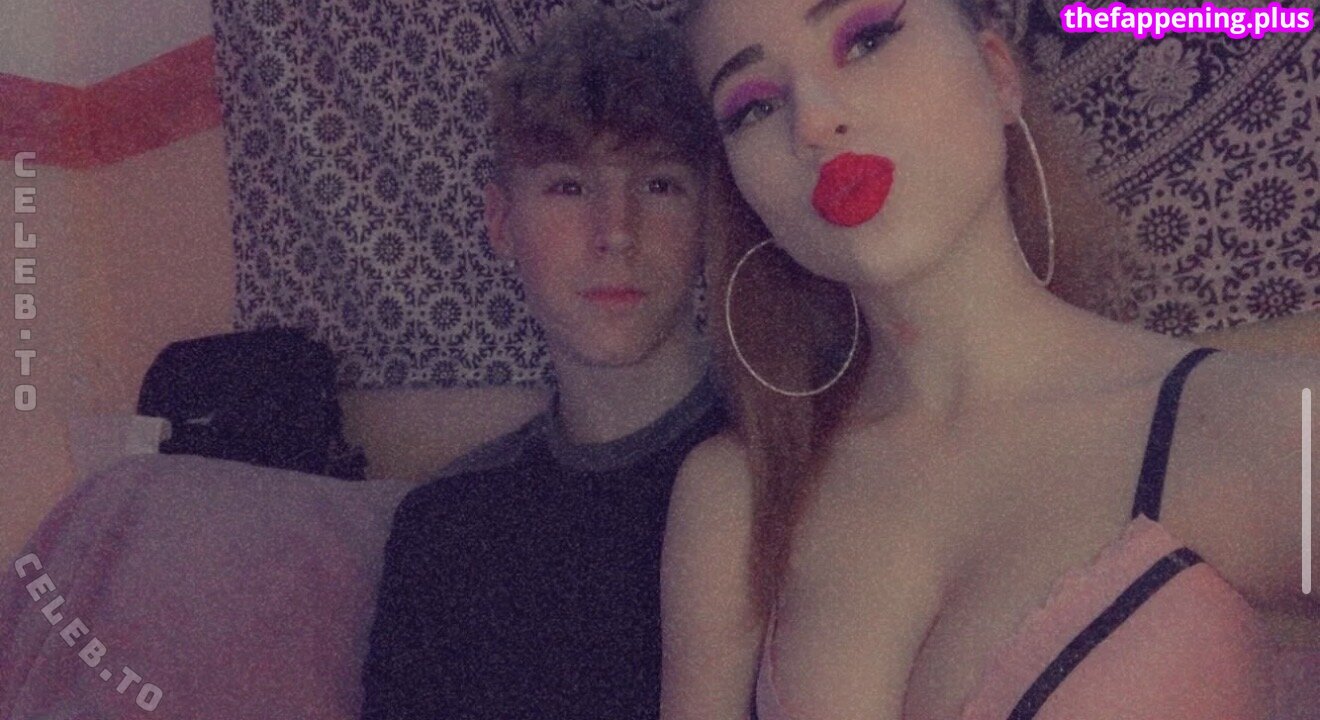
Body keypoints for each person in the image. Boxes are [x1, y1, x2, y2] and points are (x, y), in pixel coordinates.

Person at [660, 0, 1319, 718]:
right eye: (753, 107)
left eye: (867, 39)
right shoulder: (738, 497)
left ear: (999, 75)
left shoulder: (1271, 426)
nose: (812, 121)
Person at [359, 5, 725, 719]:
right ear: (501, 222)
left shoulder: (796, 462)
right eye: (568, 186)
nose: (616, 233)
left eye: (659, 184)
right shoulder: (444, 530)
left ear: (711, 215)